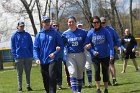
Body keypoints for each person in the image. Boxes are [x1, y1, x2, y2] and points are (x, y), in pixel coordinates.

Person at [33, 16, 64, 93]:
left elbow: (61, 46)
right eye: (45, 22)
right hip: (42, 61)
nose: (47, 23)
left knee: (52, 76)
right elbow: (35, 48)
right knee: (45, 79)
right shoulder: (39, 35)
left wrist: (55, 53)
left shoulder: (55, 33)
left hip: (52, 59)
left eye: (48, 21)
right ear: (42, 23)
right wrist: (37, 58)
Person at [85, 16, 114, 93]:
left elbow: (110, 43)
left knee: (105, 72)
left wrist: (111, 54)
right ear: (92, 23)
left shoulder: (105, 31)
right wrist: (92, 51)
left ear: (100, 23)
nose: (96, 24)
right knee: (97, 71)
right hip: (95, 56)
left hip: (105, 55)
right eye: (94, 22)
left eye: (98, 22)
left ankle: (106, 89)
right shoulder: (90, 32)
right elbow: (86, 45)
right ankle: (98, 89)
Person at [62, 16, 87, 93]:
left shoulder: (82, 32)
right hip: (70, 55)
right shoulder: (65, 34)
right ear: (67, 23)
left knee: (80, 74)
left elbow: (88, 40)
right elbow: (61, 44)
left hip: (80, 54)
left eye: (72, 21)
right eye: (69, 22)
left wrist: (87, 45)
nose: (71, 23)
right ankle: (74, 91)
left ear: (75, 22)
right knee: (72, 73)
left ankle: (78, 91)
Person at [11, 21, 33, 92]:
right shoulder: (14, 35)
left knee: (28, 72)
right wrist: (15, 56)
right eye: (20, 26)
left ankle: (28, 86)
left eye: (23, 26)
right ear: (17, 27)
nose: (22, 27)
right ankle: (20, 88)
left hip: (28, 56)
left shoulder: (27, 35)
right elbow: (13, 47)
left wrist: (31, 55)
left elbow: (31, 45)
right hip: (19, 57)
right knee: (19, 73)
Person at [100, 17, 120, 86]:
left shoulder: (111, 29)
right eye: (101, 22)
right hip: (102, 51)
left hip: (111, 50)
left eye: (104, 22)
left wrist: (117, 45)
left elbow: (117, 38)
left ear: (106, 22)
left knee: (111, 64)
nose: (103, 24)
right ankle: (107, 80)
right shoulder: (98, 30)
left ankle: (114, 79)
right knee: (105, 66)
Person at [77, 21, 93, 88]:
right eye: (78, 26)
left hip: (87, 51)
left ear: (82, 26)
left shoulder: (86, 32)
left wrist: (90, 44)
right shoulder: (75, 33)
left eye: (80, 26)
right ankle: (82, 83)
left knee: (88, 67)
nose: (80, 27)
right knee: (81, 68)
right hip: (80, 52)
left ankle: (90, 82)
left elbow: (91, 40)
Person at [52, 22, 63, 90]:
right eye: (54, 26)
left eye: (56, 25)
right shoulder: (50, 34)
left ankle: (59, 84)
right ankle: (54, 84)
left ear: (58, 26)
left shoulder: (61, 34)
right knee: (53, 70)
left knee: (59, 70)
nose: (55, 26)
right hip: (52, 55)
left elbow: (63, 44)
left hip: (59, 55)